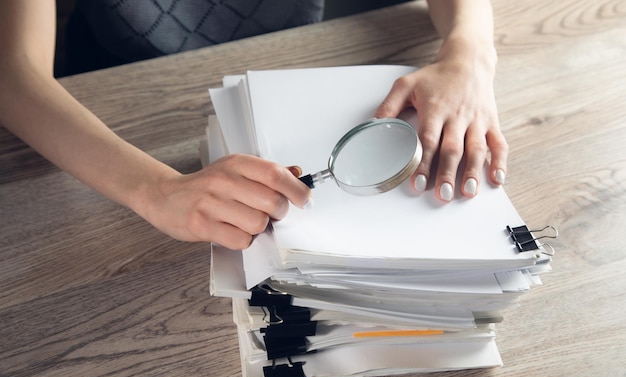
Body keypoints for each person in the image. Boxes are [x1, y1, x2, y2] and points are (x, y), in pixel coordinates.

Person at [0, 0, 508, 250]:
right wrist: (154, 190)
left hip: (312, 51)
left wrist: (471, 52)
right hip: (121, 86)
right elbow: (12, 73)